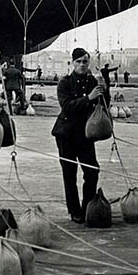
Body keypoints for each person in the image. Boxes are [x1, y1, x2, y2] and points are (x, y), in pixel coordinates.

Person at [51, 47, 108, 223]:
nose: (82, 65)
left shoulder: (93, 81)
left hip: (85, 135)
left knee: (92, 171)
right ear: (72, 63)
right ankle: (74, 211)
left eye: (85, 62)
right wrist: (88, 98)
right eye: (79, 62)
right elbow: (67, 106)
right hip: (66, 134)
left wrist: (105, 90)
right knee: (69, 174)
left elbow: (103, 106)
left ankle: (87, 207)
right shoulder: (65, 83)